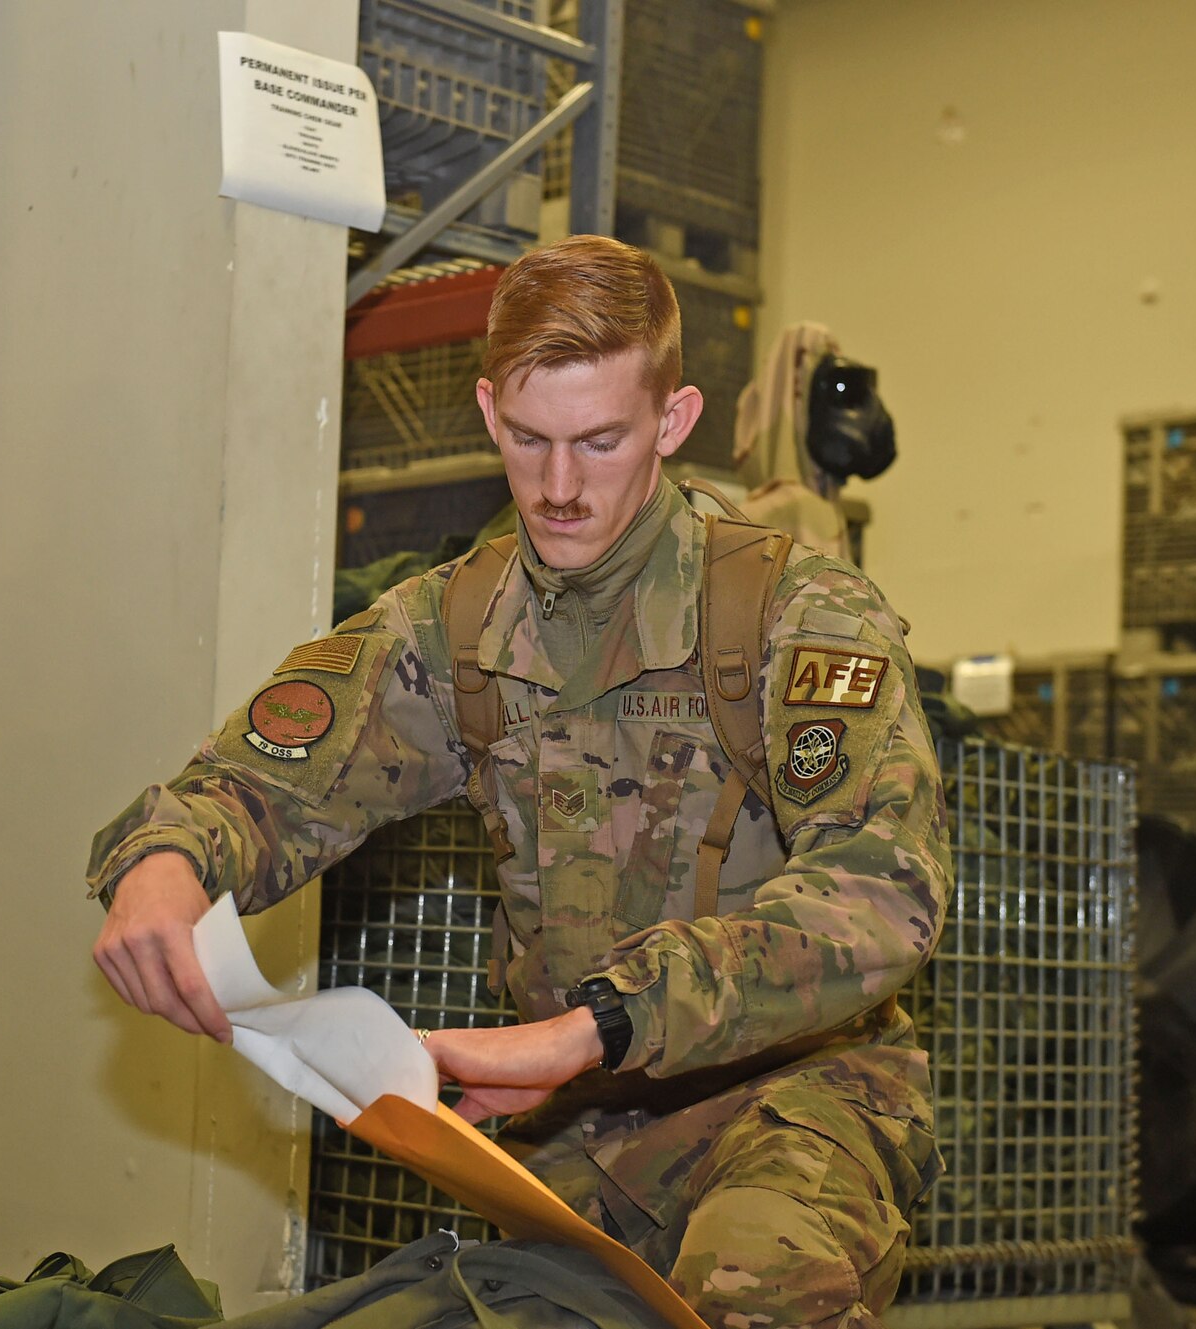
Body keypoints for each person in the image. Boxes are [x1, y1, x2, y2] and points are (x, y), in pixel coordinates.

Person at [88, 235, 949, 1328]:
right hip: (571, 1128)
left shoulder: (795, 613)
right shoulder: (451, 627)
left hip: (787, 1096)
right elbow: (260, 782)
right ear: (490, 414)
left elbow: (879, 892)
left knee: (756, 1287)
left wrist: (599, 1023)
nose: (557, 487)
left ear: (672, 423)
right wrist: (167, 859)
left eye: (598, 442)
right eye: (529, 441)